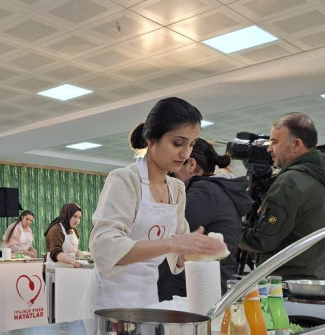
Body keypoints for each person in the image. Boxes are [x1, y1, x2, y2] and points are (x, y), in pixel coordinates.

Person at [82, 97, 227, 314]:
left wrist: (199, 248)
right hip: (109, 304)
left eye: (191, 145)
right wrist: (172, 244)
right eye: (178, 143)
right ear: (151, 140)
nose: (186, 153)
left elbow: (178, 254)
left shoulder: (176, 189)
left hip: (148, 300)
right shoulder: (124, 180)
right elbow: (104, 247)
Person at [239, 112, 325, 280]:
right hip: (314, 282)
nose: (269, 148)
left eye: (274, 142)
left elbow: (262, 240)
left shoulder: (290, 183)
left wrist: (230, 232)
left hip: (283, 285)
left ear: (296, 144)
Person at [157, 138, 253, 300]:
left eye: (171, 171)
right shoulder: (215, 191)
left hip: (195, 291)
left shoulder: (204, 193)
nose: (168, 177)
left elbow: (166, 231)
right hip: (205, 286)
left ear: (191, 164)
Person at [44, 203, 84, 268]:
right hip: (55, 270)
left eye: (79, 218)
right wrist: (73, 261)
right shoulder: (56, 230)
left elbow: (70, 249)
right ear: (67, 215)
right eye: (74, 216)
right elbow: (56, 253)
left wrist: (81, 254)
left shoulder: (74, 230)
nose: (77, 220)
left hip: (69, 269)